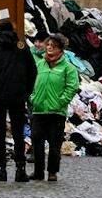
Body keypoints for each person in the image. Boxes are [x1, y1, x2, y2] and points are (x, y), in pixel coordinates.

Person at [0, 17, 36, 183]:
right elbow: (33, 71)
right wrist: (26, 92)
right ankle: (20, 169)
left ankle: (1, 170)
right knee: (18, 133)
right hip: (18, 98)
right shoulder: (22, 47)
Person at [29, 32, 79, 184]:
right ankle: (38, 171)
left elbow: (72, 87)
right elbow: (30, 82)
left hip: (56, 111)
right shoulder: (39, 64)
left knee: (54, 144)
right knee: (37, 142)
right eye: (48, 45)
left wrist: (60, 102)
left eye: (53, 46)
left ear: (60, 50)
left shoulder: (67, 68)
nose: (49, 48)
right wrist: (32, 98)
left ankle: (52, 172)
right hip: (38, 109)